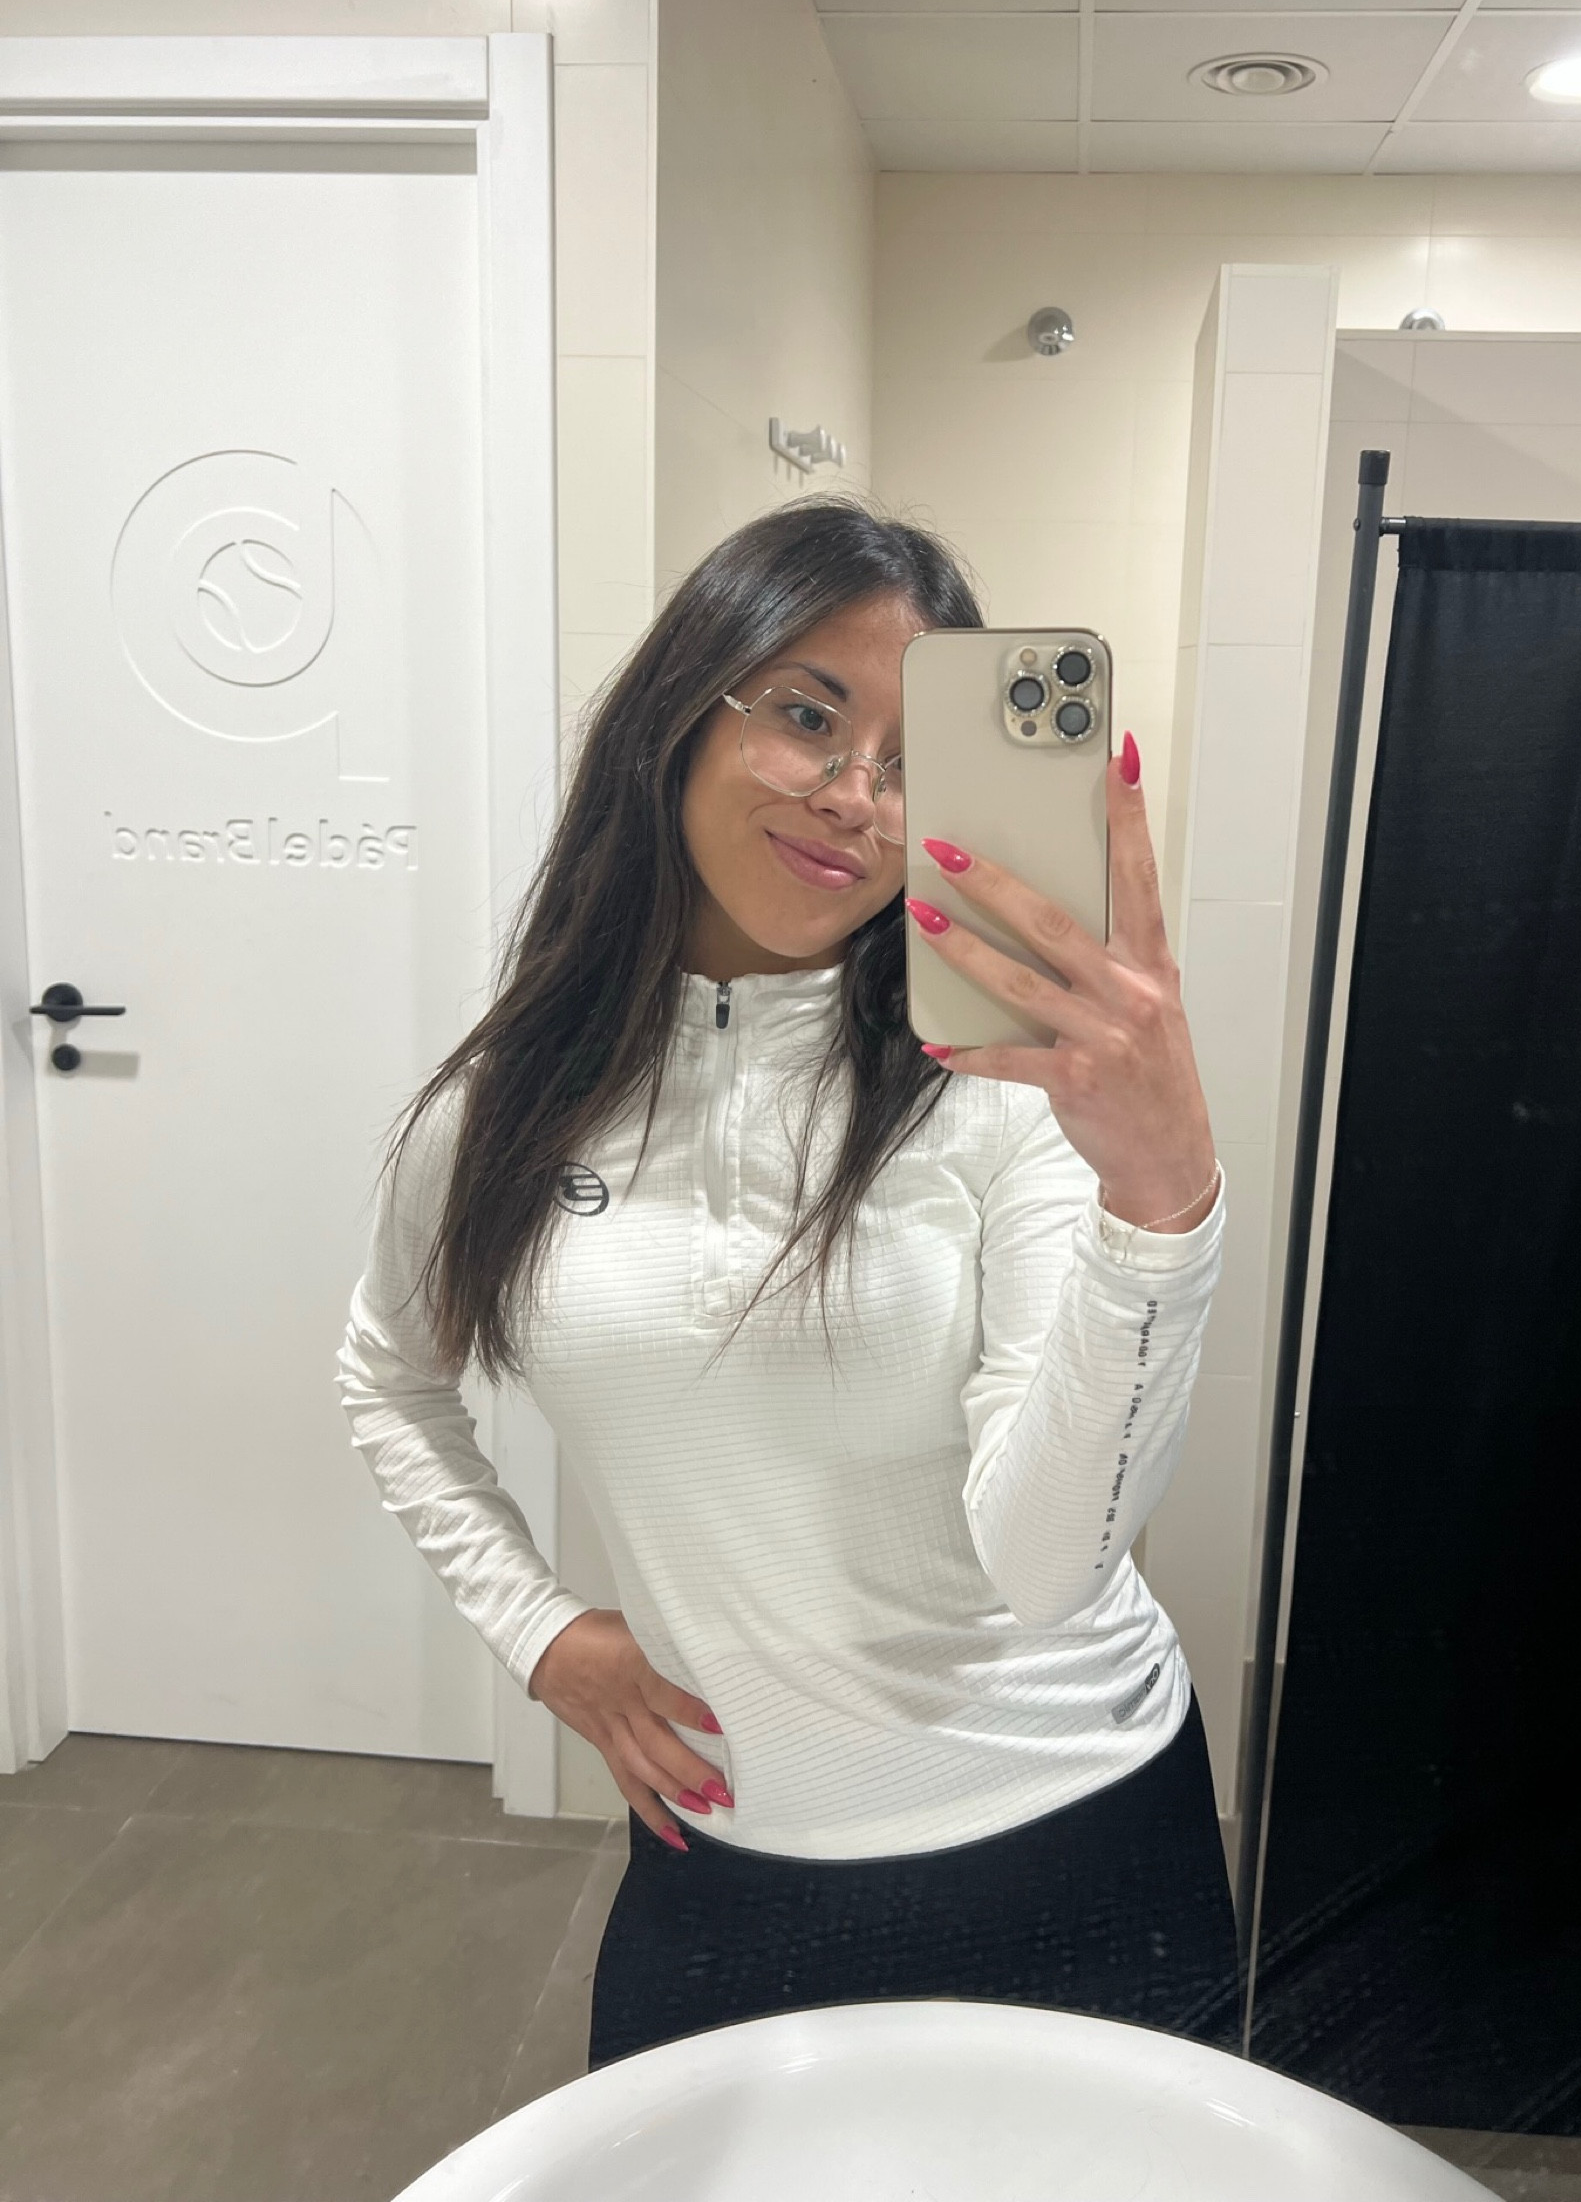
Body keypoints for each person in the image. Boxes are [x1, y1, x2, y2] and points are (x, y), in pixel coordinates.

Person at [335, 497, 1237, 2070]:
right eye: (810, 717)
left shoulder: (1003, 1092)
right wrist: (538, 1628)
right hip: (728, 1851)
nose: (856, 799)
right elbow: (388, 1375)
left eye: (913, 763)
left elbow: (1046, 1568)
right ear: (681, 711)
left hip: (1074, 1838)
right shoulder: (509, 1106)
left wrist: (1158, 1208)